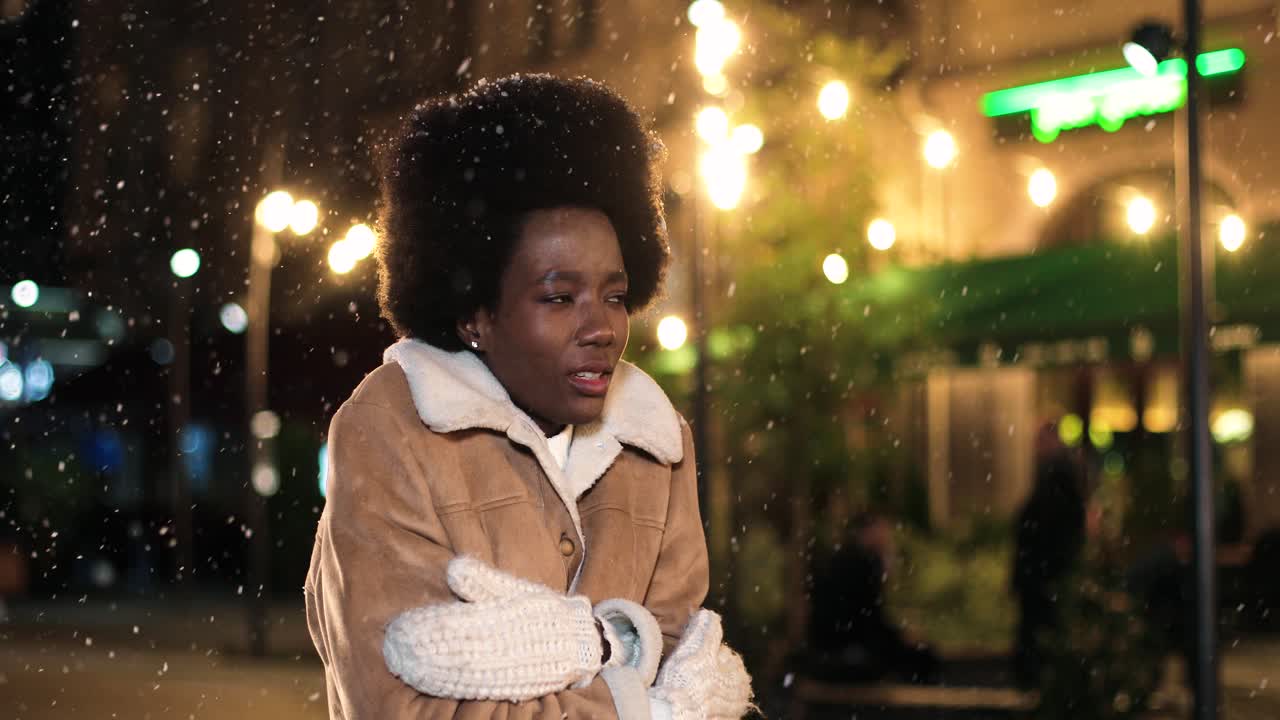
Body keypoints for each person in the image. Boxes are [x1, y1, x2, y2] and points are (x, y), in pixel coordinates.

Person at [304, 74, 753, 720]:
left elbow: (693, 670)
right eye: (559, 297)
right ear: (474, 315)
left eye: (616, 295)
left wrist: (520, 657)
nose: (600, 327)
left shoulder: (655, 441)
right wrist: (623, 675)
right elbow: (402, 706)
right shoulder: (391, 429)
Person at [807, 512, 940, 684]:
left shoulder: (845, 558)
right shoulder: (860, 563)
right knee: (923, 658)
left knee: (914, 655)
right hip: (844, 653)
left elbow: (865, 617)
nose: (887, 537)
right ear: (868, 532)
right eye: (883, 531)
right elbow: (868, 620)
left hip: (832, 649)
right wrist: (902, 637)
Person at [1010, 423, 1086, 689]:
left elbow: (1049, 525)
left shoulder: (1056, 477)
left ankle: (1036, 682)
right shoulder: (1059, 476)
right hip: (1044, 570)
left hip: (1042, 570)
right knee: (1040, 630)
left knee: (1038, 631)